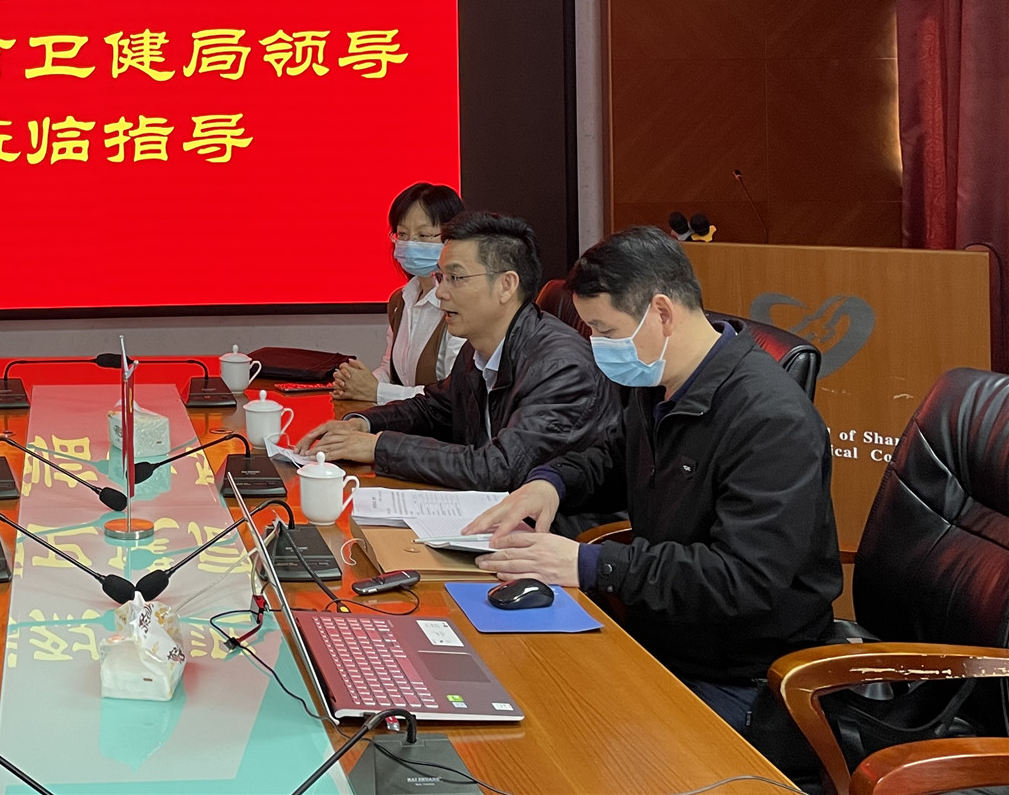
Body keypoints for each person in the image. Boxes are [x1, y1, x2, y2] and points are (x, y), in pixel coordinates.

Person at [462, 226, 841, 760]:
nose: (598, 346)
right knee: (514, 689)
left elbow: (742, 579)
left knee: (563, 747)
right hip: (661, 636)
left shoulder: (770, 418)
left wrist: (591, 565)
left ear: (661, 313)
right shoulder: (661, 382)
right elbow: (613, 458)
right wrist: (551, 483)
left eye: (605, 330)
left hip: (742, 676)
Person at [297, 211, 615, 489]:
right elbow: (435, 408)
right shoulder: (478, 347)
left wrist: (378, 447)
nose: (440, 292)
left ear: (506, 285)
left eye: (455, 278)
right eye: (441, 277)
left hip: (556, 531)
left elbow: (501, 468)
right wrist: (362, 424)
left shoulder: (561, 366)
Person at [332, 181, 466, 403]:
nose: (410, 243)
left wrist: (376, 391)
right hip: (407, 418)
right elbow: (392, 371)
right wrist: (357, 383)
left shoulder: (463, 305)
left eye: (423, 235)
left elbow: (454, 395)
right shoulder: (401, 300)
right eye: (402, 234)